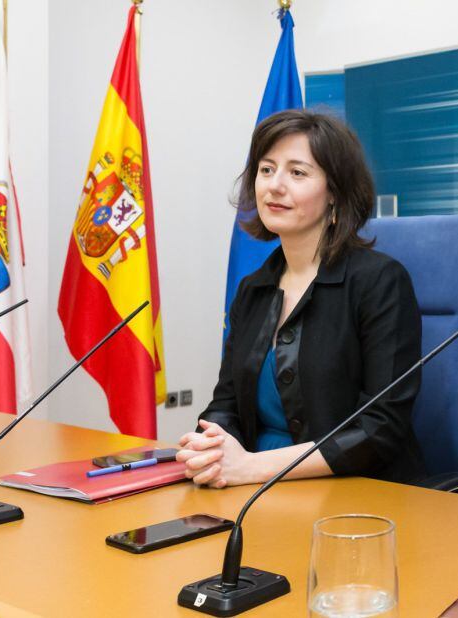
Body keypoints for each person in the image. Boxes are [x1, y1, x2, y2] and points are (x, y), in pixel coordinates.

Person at [176, 109, 425, 488]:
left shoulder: (379, 282)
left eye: (297, 172)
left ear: (335, 194)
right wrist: (210, 447)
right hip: (250, 487)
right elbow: (226, 403)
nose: (274, 185)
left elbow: (380, 427)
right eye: (266, 169)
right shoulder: (253, 289)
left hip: (354, 492)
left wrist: (252, 468)